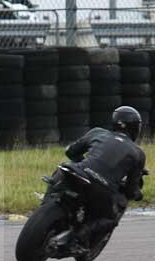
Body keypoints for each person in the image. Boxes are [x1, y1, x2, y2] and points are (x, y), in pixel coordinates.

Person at [63, 105, 147, 248]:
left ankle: (47, 202)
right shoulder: (138, 153)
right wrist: (136, 194)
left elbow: (71, 152)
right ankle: (82, 233)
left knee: (63, 168)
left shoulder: (97, 133)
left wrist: (83, 163)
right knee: (111, 218)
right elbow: (130, 188)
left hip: (79, 172)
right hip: (102, 189)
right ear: (135, 128)